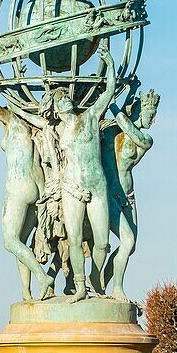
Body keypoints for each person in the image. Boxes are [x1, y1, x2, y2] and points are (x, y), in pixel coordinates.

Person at [0, 68, 54, 300]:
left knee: (10, 241)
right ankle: (26, 292)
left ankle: (42, 276)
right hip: (39, 187)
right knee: (24, 243)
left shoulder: (13, 119)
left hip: (18, 187)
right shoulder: (35, 122)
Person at [52, 41, 118, 301]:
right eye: (59, 100)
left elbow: (109, 91)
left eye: (66, 97)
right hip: (72, 188)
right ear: (55, 110)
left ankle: (96, 279)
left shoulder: (89, 117)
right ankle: (80, 287)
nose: (64, 101)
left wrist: (110, 66)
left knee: (102, 242)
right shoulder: (57, 130)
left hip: (96, 185)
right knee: (75, 237)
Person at [100, 85, 158, 300]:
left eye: (153, 115)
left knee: (130, 246)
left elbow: (127, 125)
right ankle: (117, 288)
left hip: (129, 197)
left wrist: (112, 98)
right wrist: (126, 92)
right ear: (137, 111)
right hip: (110, 195)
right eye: (148, 114)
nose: (151, 120)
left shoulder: (145, 139)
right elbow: (122, 119)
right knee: (128, 242)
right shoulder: (113, 131)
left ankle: (99, 284)